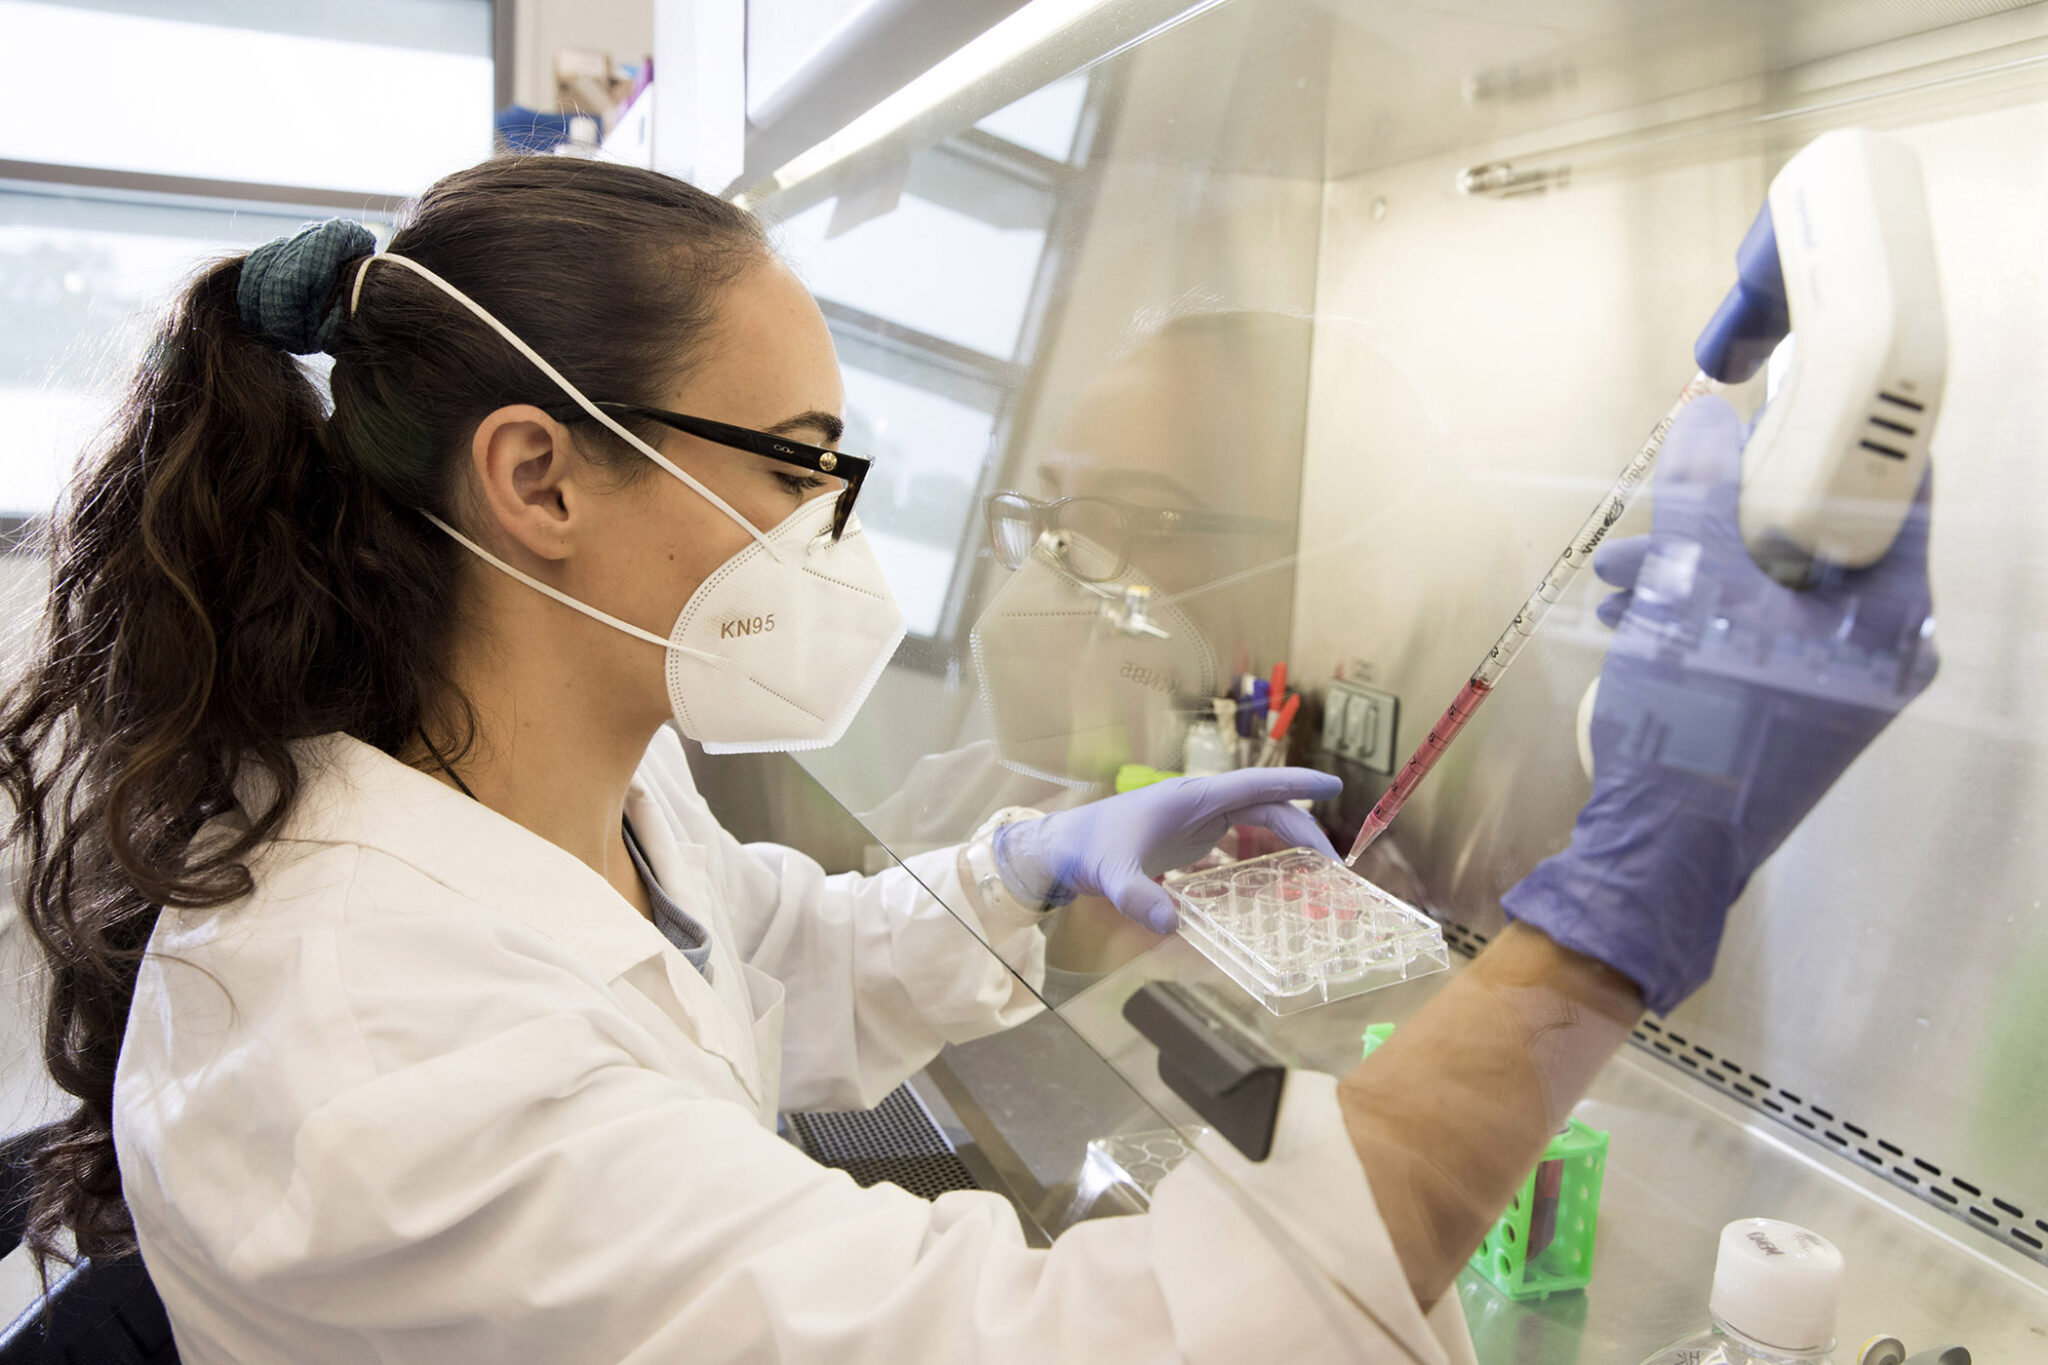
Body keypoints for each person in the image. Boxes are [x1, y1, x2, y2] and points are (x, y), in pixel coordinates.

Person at [0, 156, 1935, 1363]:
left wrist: (1038, 870)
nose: (834, 538)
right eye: (797, 467)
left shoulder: (564, 773)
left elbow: (770, 955)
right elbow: (1086, 1342)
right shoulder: (384, 1054)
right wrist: (1616, 912)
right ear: (540, 479)